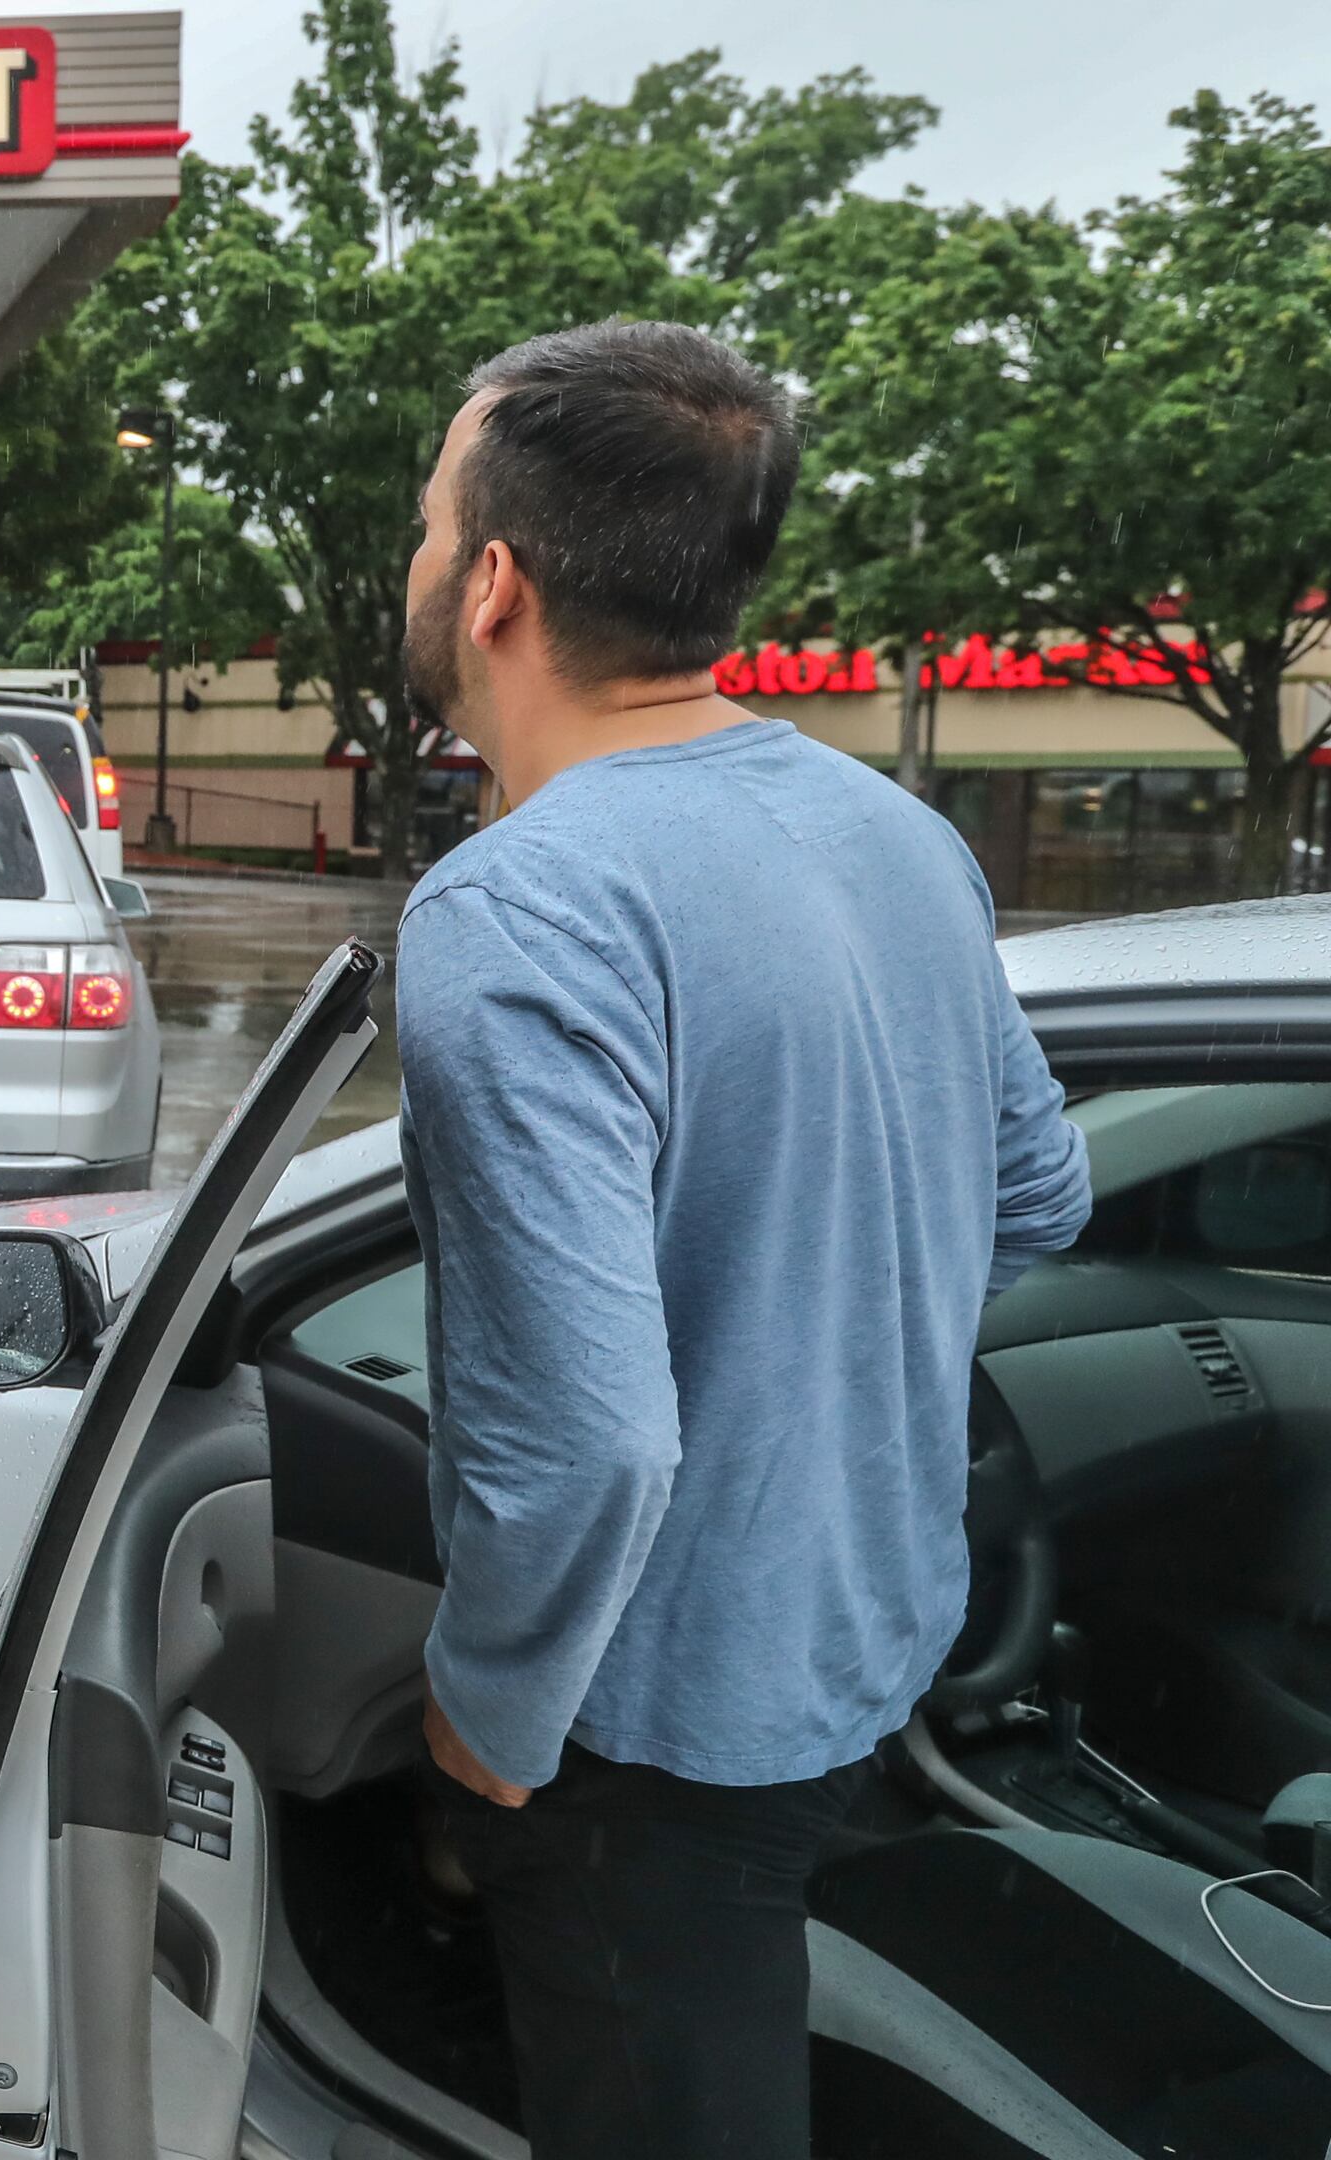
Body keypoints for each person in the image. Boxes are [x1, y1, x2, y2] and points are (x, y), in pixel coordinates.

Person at [389, 320, 1094, 2160]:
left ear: (494, 586)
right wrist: (819, 1356)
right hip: (876, 1633)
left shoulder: (517, 913)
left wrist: (491, 1713)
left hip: (650, 1729)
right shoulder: (898, 835)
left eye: (422, 524)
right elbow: (1036, 1198)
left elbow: (594, 1438)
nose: (415, 562)